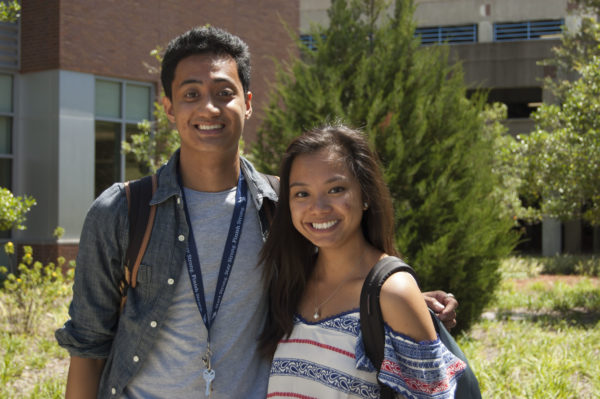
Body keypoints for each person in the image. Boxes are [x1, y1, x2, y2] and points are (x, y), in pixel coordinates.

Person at [55, 27, 458, 398]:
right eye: (191, 94)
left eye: (223, 92)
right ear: (168, 108)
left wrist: (398, 302)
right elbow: (88, 347)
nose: (208, 108)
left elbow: (335, 275)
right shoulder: (122, 212)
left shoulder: (283, 206)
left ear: (247, 103)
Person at [260, 124, 466, 398]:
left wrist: (406, 302)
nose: (318, 208)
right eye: (302, 194)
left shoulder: (393, 292)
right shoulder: (290, 283)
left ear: (365, 195)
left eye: (335, 189)